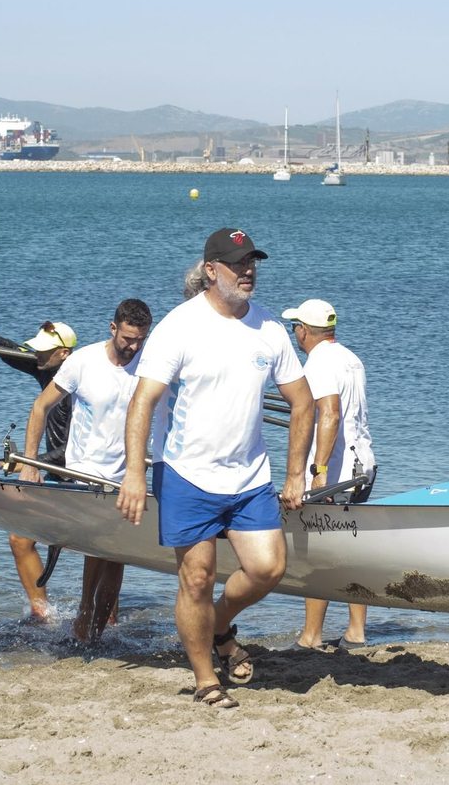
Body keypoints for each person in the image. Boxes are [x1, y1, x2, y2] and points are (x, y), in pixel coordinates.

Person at [121, 228, 315, 709]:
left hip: (249, 475)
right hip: (187, 472)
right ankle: (206, 679)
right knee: (197, 578)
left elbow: (303, 402)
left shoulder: (269, 329)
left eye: (253, 262)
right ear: (212, 270)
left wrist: (296, 473)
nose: (248, 271)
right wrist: (133, 472)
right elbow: (142, 401)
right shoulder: (178, 327)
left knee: (268, 569)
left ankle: (220, 623)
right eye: (237, 263)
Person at [22, 299, 162, 642]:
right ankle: (85, 615)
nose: (132, 346)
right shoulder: (83, 361)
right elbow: (41, 406)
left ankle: (96, 630)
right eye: (127, 338)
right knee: (99, 546)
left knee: (117, 555)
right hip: (85, 471)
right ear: (112, 328)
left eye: (139, 340)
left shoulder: (151, 366)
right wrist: (28, 463)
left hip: (127, 473)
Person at [281, 298, 377, 652]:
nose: (294, 333)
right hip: (363, 465)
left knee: (316, 553)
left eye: (295, 327)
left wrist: (318, 470)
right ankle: (355, 632)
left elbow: (331, 413)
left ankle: (311, 637)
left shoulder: (318, 361)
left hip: (335, 471)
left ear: (304, 331)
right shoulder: (351, 358)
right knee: (351, 550)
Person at [0, 320, 77, 617]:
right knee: (20, 538)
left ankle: (106, 618)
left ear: (64, 353)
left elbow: (77, 449)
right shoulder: (47, 370)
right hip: (54, 474)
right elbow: (9, 351)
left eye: (43, 351)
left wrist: (28, 461)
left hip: (83, 476)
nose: (35, 355)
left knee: (102, 555)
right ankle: (41, 612)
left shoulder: (77, 385)